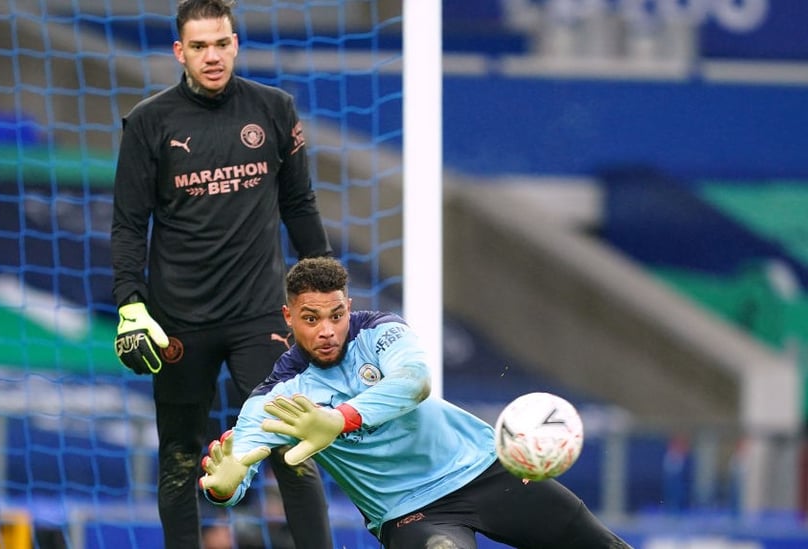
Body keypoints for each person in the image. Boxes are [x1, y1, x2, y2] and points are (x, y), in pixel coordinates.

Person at [198, 257, 633, 548]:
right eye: (311, 319)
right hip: (409, 511)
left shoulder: (382, 331)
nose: (327, 330)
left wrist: (340, 419)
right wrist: (225, 486)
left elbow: (415, 382)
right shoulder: (275, 398)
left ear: (349, 307)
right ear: (289, 318)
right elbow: (237, 467)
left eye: (336, 315)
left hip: (484, 470)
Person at [109, 0, 335, 547]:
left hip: (259, 315)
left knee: (292, 448)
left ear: (235, 44)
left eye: (221, 43)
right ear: (179, 52)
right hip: (178, 321)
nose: (212, 56)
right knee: (181, 460)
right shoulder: (148, 122)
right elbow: (128, 224)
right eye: (199, 46)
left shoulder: (275, 110)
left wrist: (328, 292)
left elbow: (299, 206)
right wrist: (129, 301)